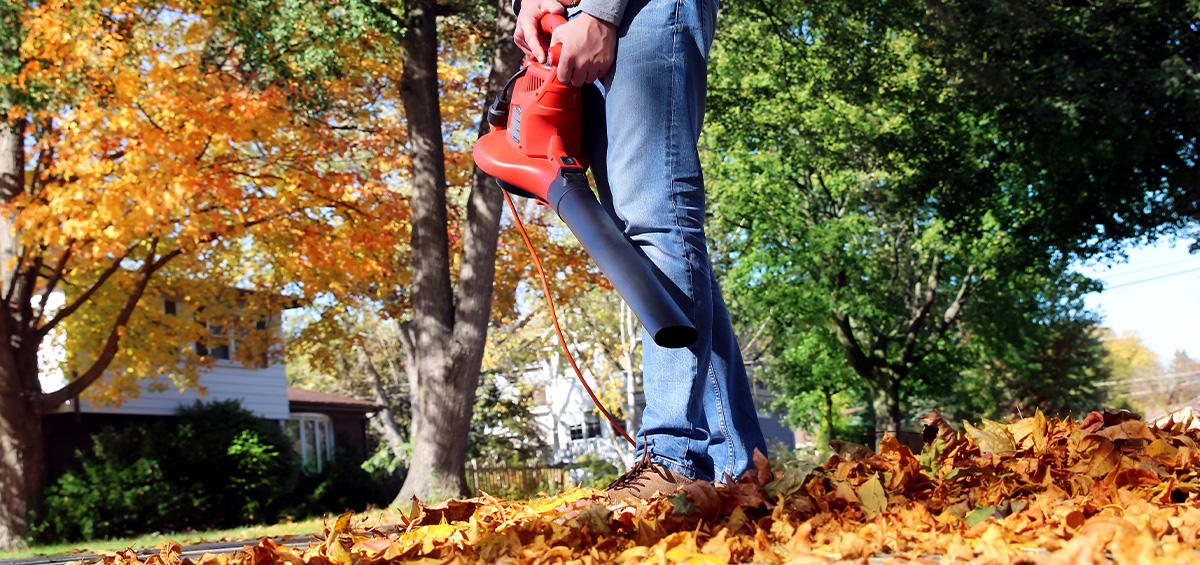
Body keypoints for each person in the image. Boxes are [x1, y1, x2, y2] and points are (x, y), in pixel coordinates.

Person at [512, 0, 768, 501]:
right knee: (648, 240)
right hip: (575, 18)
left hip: (636, 11)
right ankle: (742, 468)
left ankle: (672, 457)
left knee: (659, 219)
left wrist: (603, 12)